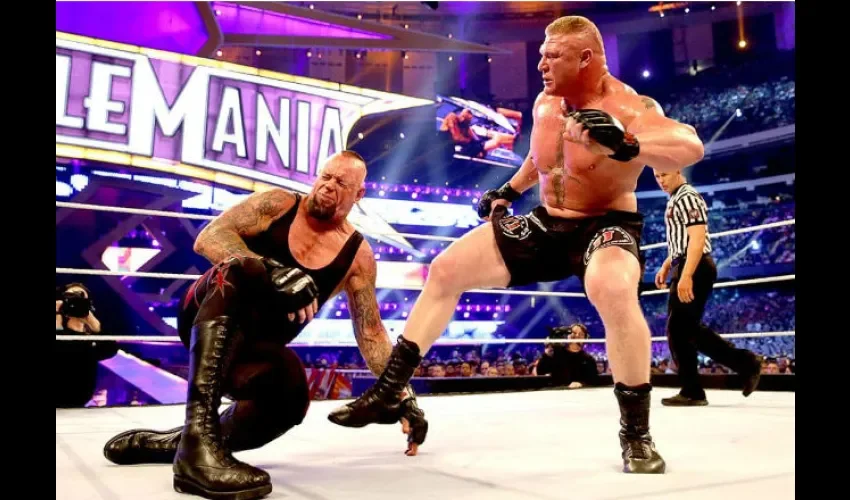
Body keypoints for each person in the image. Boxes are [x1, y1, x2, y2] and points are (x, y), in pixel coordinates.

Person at [328, 15, 706, 474]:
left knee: (613, 288)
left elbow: (689, 145)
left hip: (606, 223)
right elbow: (539, 159)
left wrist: (625, 144)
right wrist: (508, 190)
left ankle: (637, 436)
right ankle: (389, 391)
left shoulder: (629, 105)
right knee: (445, 269)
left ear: (585, 58)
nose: (541, 64)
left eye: (553, 56)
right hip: (547, 222)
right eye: (542, 55)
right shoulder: (547, 103)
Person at [102, 151, 428, 500]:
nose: (328, 187)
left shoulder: (357, 256)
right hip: (207, 316)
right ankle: (195, 454)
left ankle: (186, 443)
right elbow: (209, 237)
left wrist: (401, 393)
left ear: (358, 194)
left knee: (292, 393)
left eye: (341, 183)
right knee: (243, 268)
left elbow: (371, 332)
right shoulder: (279, 204)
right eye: (325, 177)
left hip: (251, 354)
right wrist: (272, 271)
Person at [653, 168, 762, 406]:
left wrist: (686, 275)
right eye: (657, 176)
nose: (661, 180)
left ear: (677, 170)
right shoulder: (676, 198)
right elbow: (682, 242)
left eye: (664, 175)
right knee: (685, 329)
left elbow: (697, 238)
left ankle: (696, 389)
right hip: (686, 264)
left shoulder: (687, 196)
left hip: (695, 266)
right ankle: (743, 364)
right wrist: (667, 265)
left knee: (679, 329)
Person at [534, 323, 600, 388]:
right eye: (574, 333)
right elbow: (540, 372)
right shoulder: (556, 354)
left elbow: (593, 380)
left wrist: (581, 383)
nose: (577, 336)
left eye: (581, 334)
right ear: (568, 335)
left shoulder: (588, 359)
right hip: (557, 391)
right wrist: (546, 355)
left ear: (585, 338)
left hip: (580, 392)